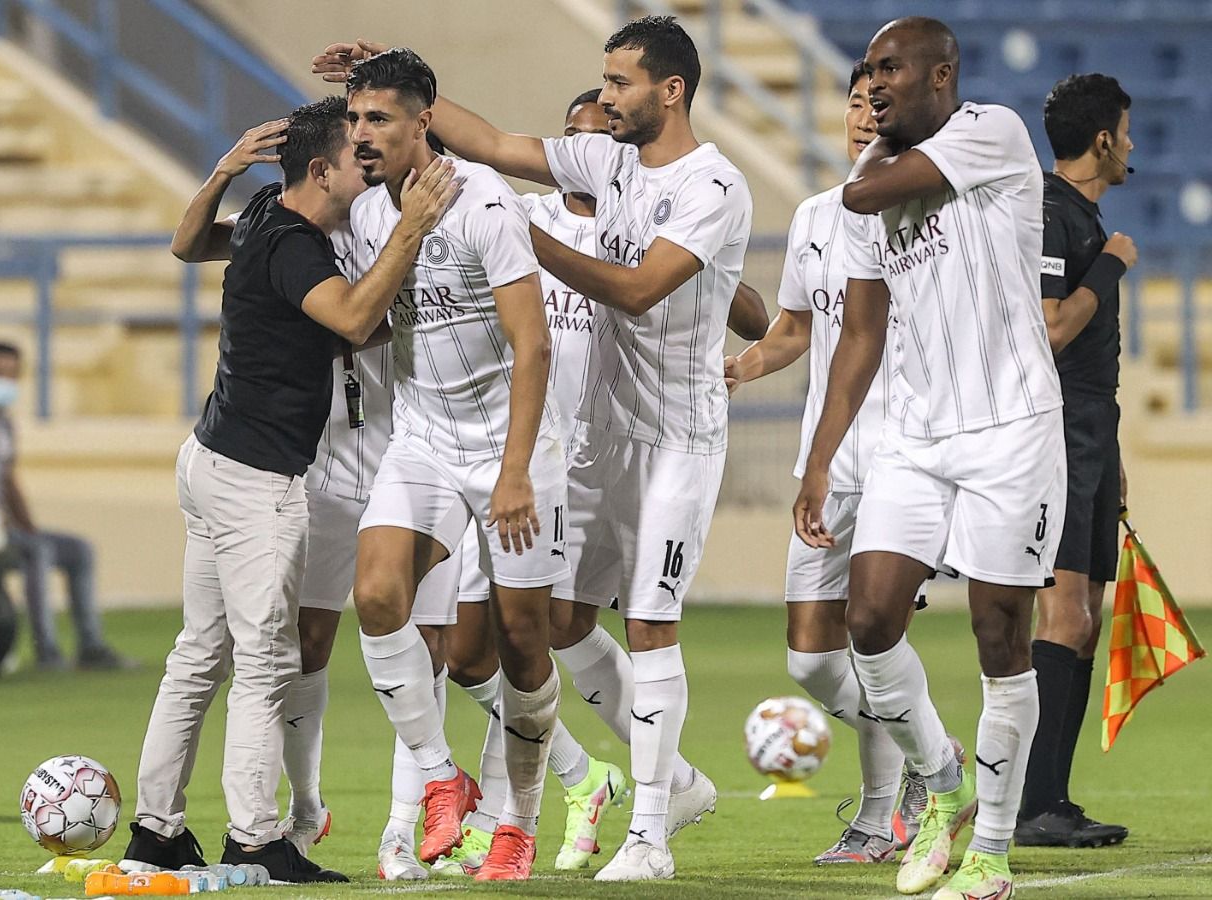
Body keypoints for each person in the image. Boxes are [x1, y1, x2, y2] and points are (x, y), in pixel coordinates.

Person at [317, 16, 753, 882]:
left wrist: (520, 238)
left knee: (650, 621)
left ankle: (650, 833)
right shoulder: (607, 160)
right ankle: (499, 789)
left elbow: (635, 290)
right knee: (553, 626)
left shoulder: (715, 185)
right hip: (593, 433)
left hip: (678, 438)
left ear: (670, 90)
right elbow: (491, 139)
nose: (605, 97)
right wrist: (390, 79)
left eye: (620, 83)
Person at [120, 95, 456, 883]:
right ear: (319, 169)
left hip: (208, 458)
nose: (366, 161)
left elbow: (186, 242)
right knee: (267, 661)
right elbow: (350, 316)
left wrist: (224, 173)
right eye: (355, 153)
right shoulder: (299, 247)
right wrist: (412, 230)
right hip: (254, 483)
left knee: (198, 657)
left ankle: (156, 828)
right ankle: (256, 836)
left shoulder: (268, 208)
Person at [792, 17, 1065, 899]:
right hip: (913, 435)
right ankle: (942, 787)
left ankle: (990, 848)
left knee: (999, 635)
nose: (874, 84)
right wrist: (821, 460)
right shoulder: (871, 182)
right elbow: (860, 337)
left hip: (1010, 430)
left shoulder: (991, 131)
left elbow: (866, 197)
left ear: (942, 72)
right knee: (868, 619)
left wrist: (864, 166)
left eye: (892, 69)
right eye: (868, 69)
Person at [325, 47, 573, 883]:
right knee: (377, 594)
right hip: (423, 439)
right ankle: (441, 777)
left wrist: (513, 474)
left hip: (513, 448)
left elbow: (532, 343)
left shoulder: (484, 203)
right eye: (354, 118)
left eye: (379, 119)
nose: (361, 134)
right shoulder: (367, 215)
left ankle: (521, 821)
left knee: (522, 646)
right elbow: (369, 320)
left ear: (422, 122)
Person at [725, 62, 932, 865]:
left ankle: (882, 817)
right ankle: (927, 756)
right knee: (811, 657)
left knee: (874, 642)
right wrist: (742, 365)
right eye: (852, 102)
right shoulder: (816, 217)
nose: (861, 115)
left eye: (878, 103)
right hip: (831, 464)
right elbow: (794, 330)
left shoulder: (927, 213)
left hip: (903, 462)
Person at [1016, 73, 1137, 849]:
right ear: (1100, 140)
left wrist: (1114, 450)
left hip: (1093, 431)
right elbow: (1051, 330)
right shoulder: (1050, 215)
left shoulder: (1080, 214)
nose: (1130, 145)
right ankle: (1029, 807)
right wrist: (1111, 266)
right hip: (1056, 435)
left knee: (1085, 621)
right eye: (1123, 132)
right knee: (1062, 612)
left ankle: (1051, 800)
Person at [0, 342, 131, 671]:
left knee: (79, 550)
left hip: (8, 528)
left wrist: (27, 524)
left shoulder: (3, 423)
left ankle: (90, 645)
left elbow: (8, 480)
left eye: (12, 375)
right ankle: (47, 651)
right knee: (38, 552)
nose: (6, 382)